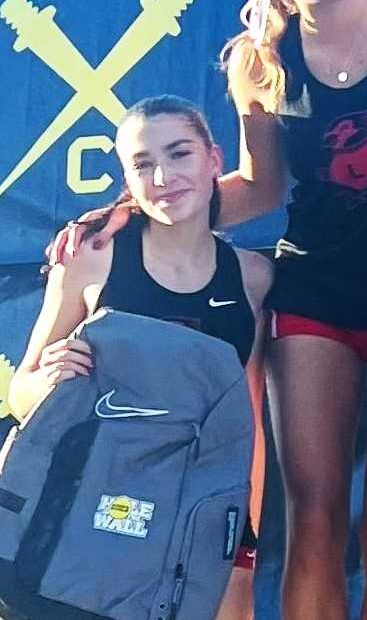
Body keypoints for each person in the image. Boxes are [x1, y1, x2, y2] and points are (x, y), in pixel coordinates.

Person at [52, 0, 367, 620]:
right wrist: (135, 209)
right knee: (316, 521)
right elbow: (261, 187)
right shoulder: (257, 61)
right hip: (317, 296)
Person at [10, 96, 273, 620]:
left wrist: (247, 530)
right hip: (84, 508)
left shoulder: (253, 278)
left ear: (215, 159)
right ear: (128, 176)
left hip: (193, 509)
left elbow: (249, 419)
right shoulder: (91, 257)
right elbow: (21, 393)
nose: (163, 176)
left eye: (179, 154)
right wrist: (46, 382)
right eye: (143, 163)